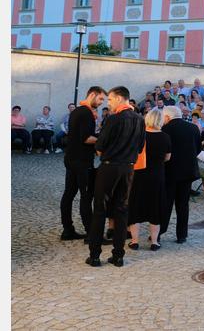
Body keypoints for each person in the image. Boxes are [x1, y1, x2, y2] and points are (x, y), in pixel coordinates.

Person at [87, 86, 146, 268]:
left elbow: (100, 145)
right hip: (128, 169)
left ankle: (95, 255)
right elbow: (140, 146)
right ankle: (118, 256)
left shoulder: (113, 119)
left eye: (110, 100)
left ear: (120, 99)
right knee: (122, 210)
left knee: (100, 210)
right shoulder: (140, 119)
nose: (109, 103)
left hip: (109, 167)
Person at [59, 86, 106, 241]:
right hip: (82, 161)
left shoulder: (76, 111)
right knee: (86, 196)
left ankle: (68, 230)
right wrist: (103, 140)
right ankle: (92, 234)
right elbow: (86, 138)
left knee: (69, 194)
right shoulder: (86, 113)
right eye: (100, 99)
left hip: (71, 158)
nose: (101, 103)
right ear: (92, 94)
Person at [126, 109, 170, 251]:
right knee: (155, 207)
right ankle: (155, 242)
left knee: (136, 206)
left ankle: (134, 241)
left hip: (139, 174)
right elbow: (167, 158)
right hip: (157, 175)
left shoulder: (139, 136)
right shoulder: (165, 137)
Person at [159, 105, 201, 244]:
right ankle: (181, 235)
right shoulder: (193, 128)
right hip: (187, 172)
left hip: (169, 171)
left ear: (167, 117)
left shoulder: (164, 129)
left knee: (166, 203)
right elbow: (198, 149)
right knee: (183, 204)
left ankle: (159, 232)